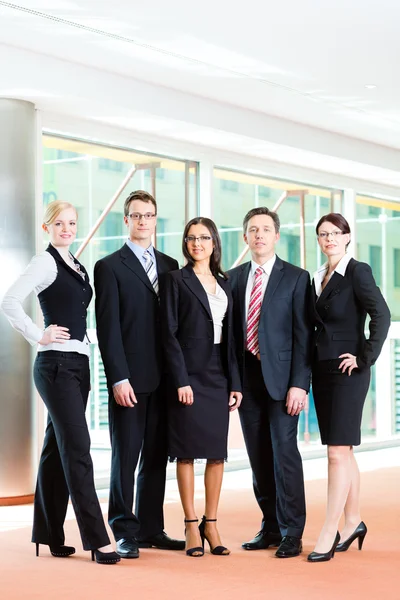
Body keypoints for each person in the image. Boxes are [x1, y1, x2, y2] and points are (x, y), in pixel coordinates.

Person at [1, 200, 119, 565]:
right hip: (55, 366)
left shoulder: (77, 265)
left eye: (72, 223)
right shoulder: (45, 261)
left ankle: (48, 533)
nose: (66, 229)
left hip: (78, 365)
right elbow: (9, 302)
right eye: (59, 224)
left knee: (57, 449)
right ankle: (98, 541)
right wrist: (40, 334)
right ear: (46, 228)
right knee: (79, 448)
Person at [94, 190, 184, 559]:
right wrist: (117, 377)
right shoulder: (110, 266)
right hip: (129, 379)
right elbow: (107, 328)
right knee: (125, 457)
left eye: (148, 215)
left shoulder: (170, 264)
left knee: (156, 458)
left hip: (165, 378)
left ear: (155, 220)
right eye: (136, 215)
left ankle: (151, 528)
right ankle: (124, 530)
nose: (143, 221)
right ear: (126, 221)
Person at [228, 207, 311, 558]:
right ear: (245, 237)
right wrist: (232, 382)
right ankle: (271, 526)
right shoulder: (230, 278)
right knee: (259, 456)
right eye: (252, 229)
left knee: (284, 454)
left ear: (277, 236)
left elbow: (304, 335)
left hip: (282, 382)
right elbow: (230, 337)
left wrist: (299, 384)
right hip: (246, 381)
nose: (259, 235)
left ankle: (293, 530)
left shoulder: (296, 277)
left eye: (265, 229)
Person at [307, 213, 390, 562]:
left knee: (336, 452)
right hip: (322, 371)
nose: (329, 239)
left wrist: (364, 356)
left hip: (348, 372)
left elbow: (381, 314)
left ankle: (330, 529)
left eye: (335, 233)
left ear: (346, 237)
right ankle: (354, 520)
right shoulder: (318, 276)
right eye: (323, 234)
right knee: (344, 451)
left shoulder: (357, 271)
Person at [161, 217, 242, 557]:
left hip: (218, 373)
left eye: (204, 237)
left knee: (216, 452)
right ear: (185, 243)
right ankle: (191, 524)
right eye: (191, 238)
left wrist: (235, 382)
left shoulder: (225, 282)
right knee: (186, 451)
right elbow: (167, 333)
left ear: (214, 243)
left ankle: (212, 522)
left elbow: (233, 337)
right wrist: (180, 379)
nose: (197, 243)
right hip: (188, 374)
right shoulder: (175, 280)